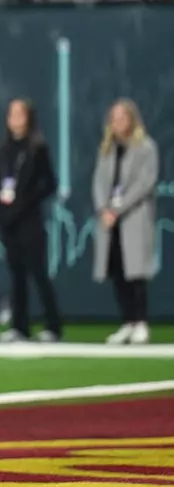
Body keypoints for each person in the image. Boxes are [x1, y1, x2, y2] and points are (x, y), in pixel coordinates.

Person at [0, 98, 62, 342]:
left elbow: (49, 184)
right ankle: (20, 326)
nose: (14, 118)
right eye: (11, 114)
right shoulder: (4, 149)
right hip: (9, 221)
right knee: (16, 274)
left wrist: (25, 201)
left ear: (29, 118)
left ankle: (53, 325)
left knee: (38, 272)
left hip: (29, 219)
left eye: (19, 114)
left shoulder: (37, 148)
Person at [92, 99, 158, 346]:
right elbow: (98, 182)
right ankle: (128, 321)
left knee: (136, 273)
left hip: (133, 217)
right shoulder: (107, 149)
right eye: (114, 118)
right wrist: (103, 209)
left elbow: (145, 183)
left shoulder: (146, 148)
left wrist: (118, 209)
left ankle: (141, 322)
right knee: (117, 270)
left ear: (132, 119)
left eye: (122, 118)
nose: (118, 123)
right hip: (110, 222)